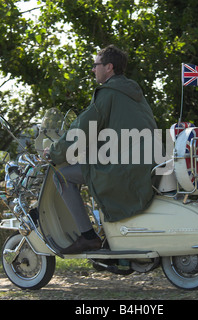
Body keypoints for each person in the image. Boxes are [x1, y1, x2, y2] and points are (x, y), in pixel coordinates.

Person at [43, 45, 158, 254]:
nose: (93, 70)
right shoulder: (133, 92)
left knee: (62, 176)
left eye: (96, 65)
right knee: (89, 168)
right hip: (145, 162)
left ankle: (88, 236)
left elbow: (82, 129)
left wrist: (55, 152)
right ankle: (106, 231)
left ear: (109, 67)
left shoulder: (108, 93)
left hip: (123, 166)